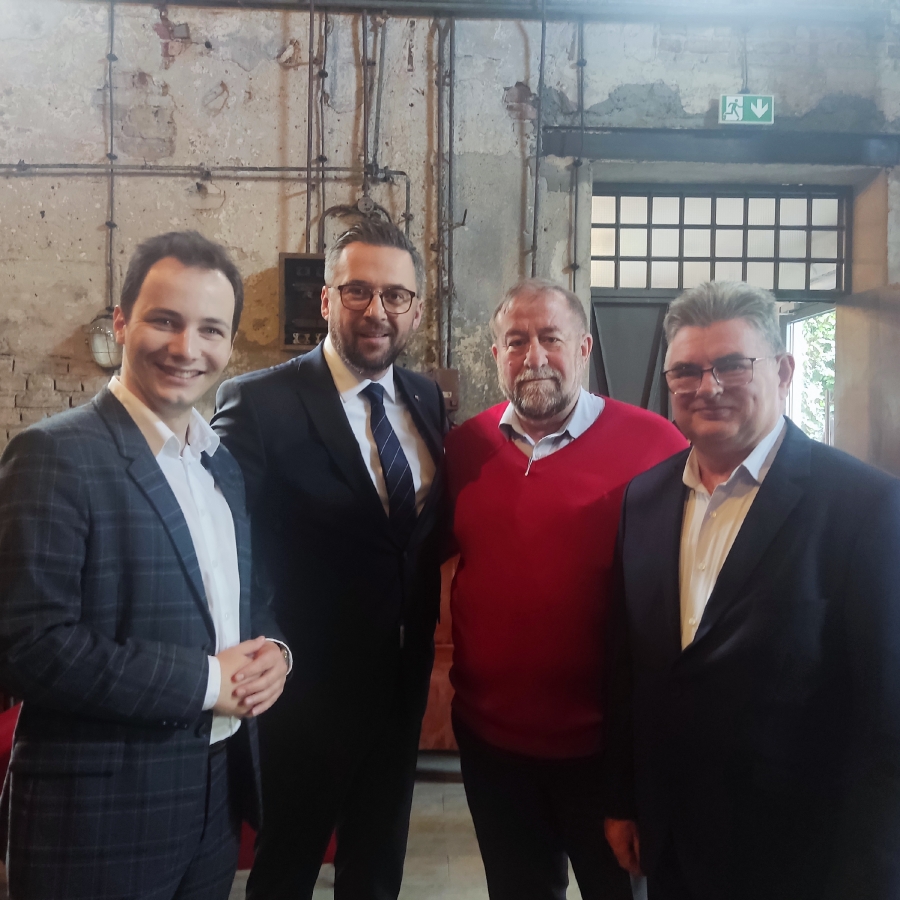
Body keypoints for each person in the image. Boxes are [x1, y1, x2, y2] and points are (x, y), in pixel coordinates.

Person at [0, 230, 289, 900]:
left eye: (210, 329)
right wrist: (207, 681)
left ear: (230, 344)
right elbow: (28, 647)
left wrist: (276, 652)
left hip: (215, 800)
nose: (187, 348)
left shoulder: (220, 465)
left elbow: (246, 602)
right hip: (99, 813)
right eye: (165, 320)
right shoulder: (55, 455)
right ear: (122, 323)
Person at [603, 281, 900, 900]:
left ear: (784, 370)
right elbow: (630, 668)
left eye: (732, 364)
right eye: (686, 371)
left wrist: (870, 874)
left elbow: (884, 714)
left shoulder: (863, 505)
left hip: (800, 853)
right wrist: (625, 801)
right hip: (674, 842)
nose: (707, 387)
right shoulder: (644, 499)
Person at [212, 217, 446, 900]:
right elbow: (227, 545)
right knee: (286, 868)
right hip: (302, 692)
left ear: (415, 309)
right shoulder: (260, 401)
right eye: (357, 291)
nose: (377, 311)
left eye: (395, 295)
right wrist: (264, 645)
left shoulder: (425, 399)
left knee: (377, 865)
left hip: (399, 684)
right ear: (325, 299)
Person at [443, 279, 687, 900]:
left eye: (550, 338)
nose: (534, 357)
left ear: (582, 347)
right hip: (492, 746)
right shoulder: (465, 448)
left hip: (607, 753)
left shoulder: (657, 446)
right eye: (515, 341)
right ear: (495, 354)